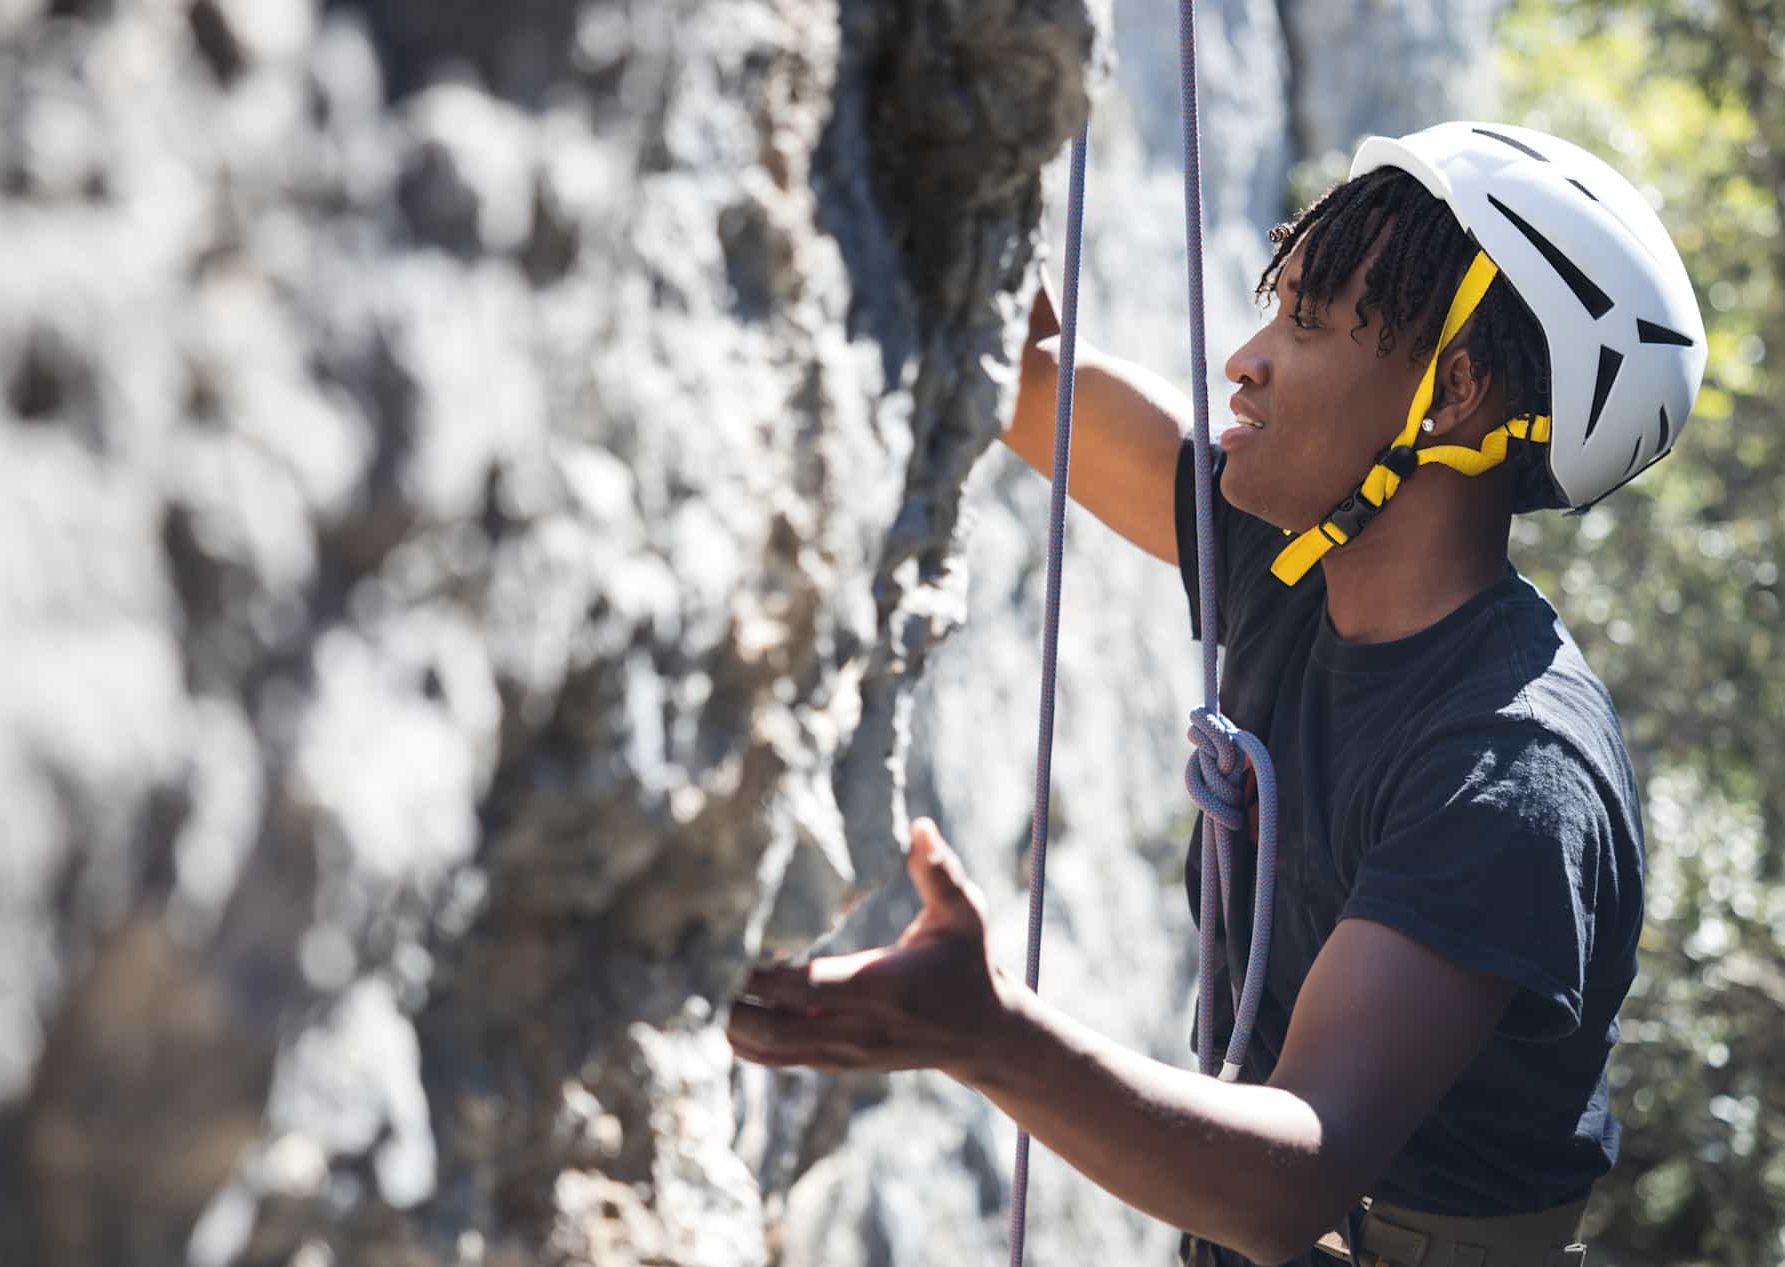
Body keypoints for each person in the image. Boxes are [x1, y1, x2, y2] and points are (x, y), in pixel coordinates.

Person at [728, 122, 1706, 1267]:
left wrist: (985, 1032)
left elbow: (1289, 1179)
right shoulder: (1291, 570)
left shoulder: (1509, 767)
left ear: (1454, 392)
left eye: (1305, 323)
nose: (1244, 358)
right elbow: (1026, 372)